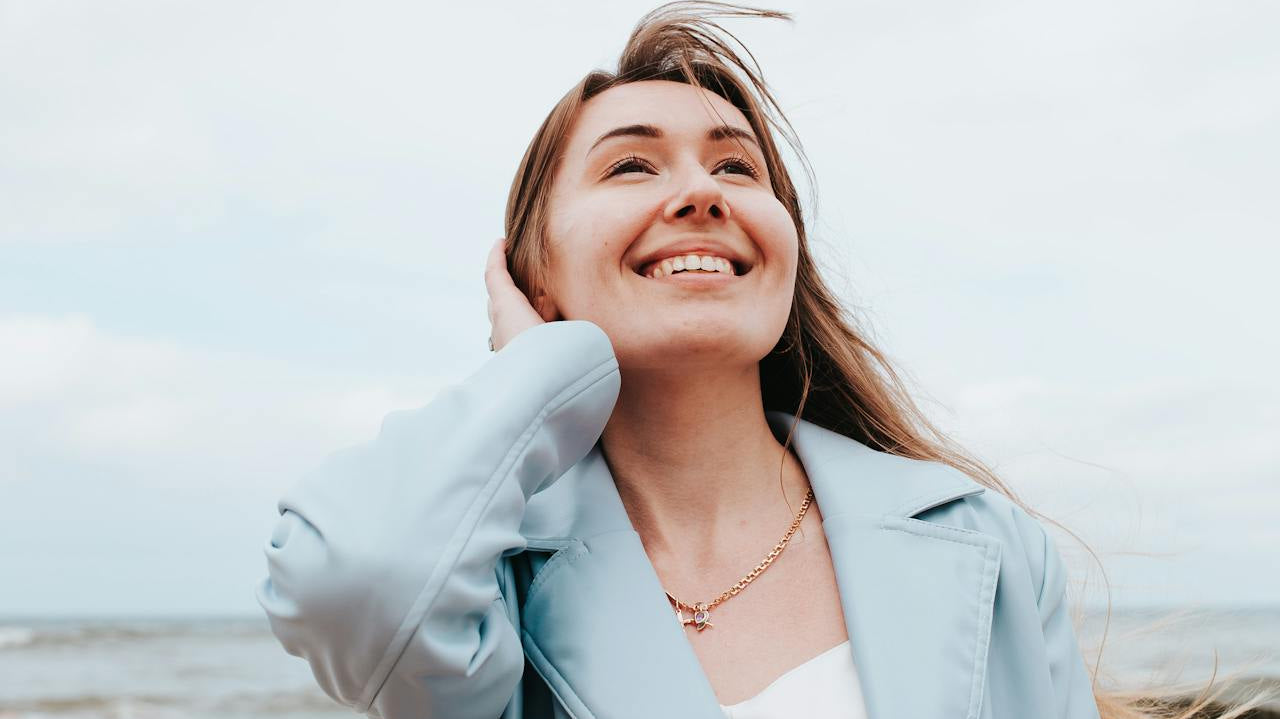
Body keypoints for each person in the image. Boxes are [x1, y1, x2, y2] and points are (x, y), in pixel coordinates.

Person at [255, 3, 1274, 718]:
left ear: (779, 246)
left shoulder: (978, 539)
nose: (702, 193)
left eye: (735, 166)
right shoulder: (488, 590)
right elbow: (355, 576)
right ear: (532, 278)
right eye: (631, 164)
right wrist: (538, 373)